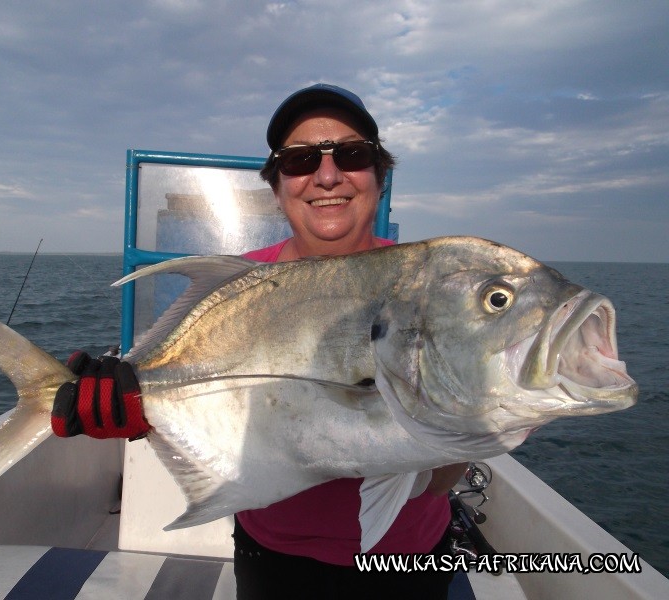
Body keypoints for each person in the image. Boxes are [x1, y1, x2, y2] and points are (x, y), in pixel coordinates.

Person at [52, 84, 467, 599]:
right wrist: (135, 408)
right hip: (273, 555)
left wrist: (492, 416)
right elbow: (182, 387)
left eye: (353, 155)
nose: (328, 175)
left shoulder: (427, 288)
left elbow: (442, 467)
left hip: (408, 556)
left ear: (380, 177)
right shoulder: (237, 287)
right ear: (277, 186)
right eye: (299, 161)